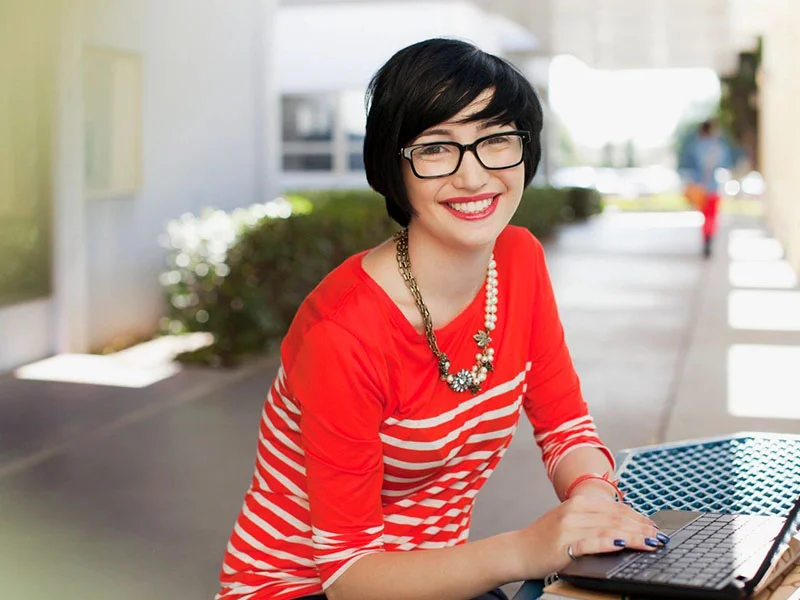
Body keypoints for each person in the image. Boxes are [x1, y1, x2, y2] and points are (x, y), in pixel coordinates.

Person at [216, 38, 667, 600]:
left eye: (496, 140)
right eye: (436, 148)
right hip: (304, 588)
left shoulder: (519, 261)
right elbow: (348, 575)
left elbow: (565, 427)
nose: (474, 177)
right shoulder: (343, 333)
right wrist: (527, 550)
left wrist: (594, 496)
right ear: (393, 166)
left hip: (439, 580)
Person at [680, 119, 734, 258]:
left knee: (705, 217)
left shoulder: (695, 146)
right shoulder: (718, 147)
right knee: (712, 216)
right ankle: (708, 241)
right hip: (713, 187)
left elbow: (689, 167)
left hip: (700, 187)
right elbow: (725, 163)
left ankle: (706, 240)